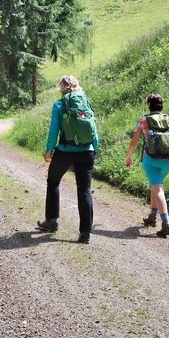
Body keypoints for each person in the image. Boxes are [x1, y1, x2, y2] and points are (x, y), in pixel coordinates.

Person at [37, 75, 99, 244]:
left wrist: (49, 150)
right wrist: (94, 148)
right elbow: (93, 128)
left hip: (65, 151)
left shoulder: (59, 105)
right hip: (87, 151)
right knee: (84, 189)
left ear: (61, 88)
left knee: (53, 181)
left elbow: (54, 130)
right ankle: (85, 233)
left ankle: (51, 221)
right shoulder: (86, 102)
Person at [124, 93, 169, 237]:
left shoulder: (144, 120)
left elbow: (134, 142)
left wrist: (128, 157)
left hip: (151, 161)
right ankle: (152, 217)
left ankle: (166, 223)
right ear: (161, 106)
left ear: (149, 105)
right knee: (155, 186)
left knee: (158, 190)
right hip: (168, 161)